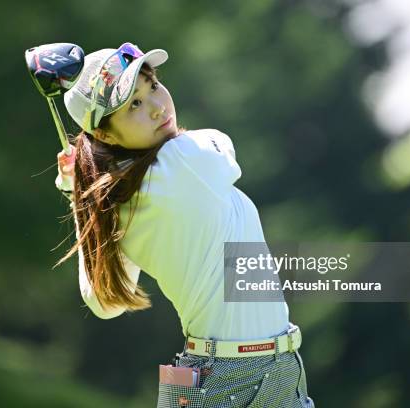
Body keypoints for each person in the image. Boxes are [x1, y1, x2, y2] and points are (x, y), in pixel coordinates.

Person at [54, 42, 314, 408]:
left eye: (153, 85)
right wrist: (82, 190)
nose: (158, 106)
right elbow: (223, 147)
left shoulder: (116, 205)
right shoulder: (187, 157)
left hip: (237, 373)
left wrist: (77, 194)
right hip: (232, 377)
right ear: (106, 136)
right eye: (135, 104)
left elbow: (103, 303)